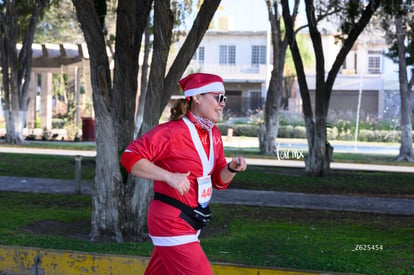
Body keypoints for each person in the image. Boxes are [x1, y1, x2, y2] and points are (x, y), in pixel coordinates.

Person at [120, 72, 247, 274]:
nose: (223, 104)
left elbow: (217, 181)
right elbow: (129, 157)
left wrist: (231, 169)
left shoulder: (213, 133)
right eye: (218, 97)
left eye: (225, 98)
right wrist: (169, 176)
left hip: (192, 220)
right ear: (197, 97)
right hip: (170, 221)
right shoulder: (172, 132)